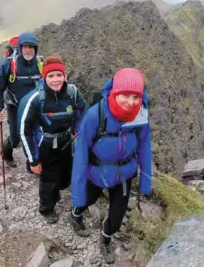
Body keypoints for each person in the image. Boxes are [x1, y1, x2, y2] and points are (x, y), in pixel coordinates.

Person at [69, 68, 152, 264]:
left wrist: (146, 182)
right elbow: (81, 155)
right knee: (85, 200)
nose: (131, 102)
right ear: (114, 92)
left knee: (116, 219)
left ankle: (106, 238)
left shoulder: (141, 114)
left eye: (135, 96)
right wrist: (78, 194)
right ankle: (75, 215)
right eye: (125, 95)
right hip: (97, 173)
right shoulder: (94, 115)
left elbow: (144, 147)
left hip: (125, 173)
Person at [18, 53, 87, 224]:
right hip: (47, 145)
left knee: (65, 176)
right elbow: (24, 131)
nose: (55, 79)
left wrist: (80, 133)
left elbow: (83, 115)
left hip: (68, 142)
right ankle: (47, 208)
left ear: (65, 76)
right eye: (51, 75)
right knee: (49, 179)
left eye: (59, 75)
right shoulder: (36, 99)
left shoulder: (73, 92)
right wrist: (33, 161)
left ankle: (59, 189)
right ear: (44, 77)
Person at [0, 33, 42, 168]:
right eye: (25, 47)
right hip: (14, 106)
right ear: (20, 48)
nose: (28, 50)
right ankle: (6, 153)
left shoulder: (41, 63)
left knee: (36, 134)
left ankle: (32, 162)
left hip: (35, 106)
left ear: (36, 49)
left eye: (32, 47)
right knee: (16, 138)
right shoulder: (9, 64)